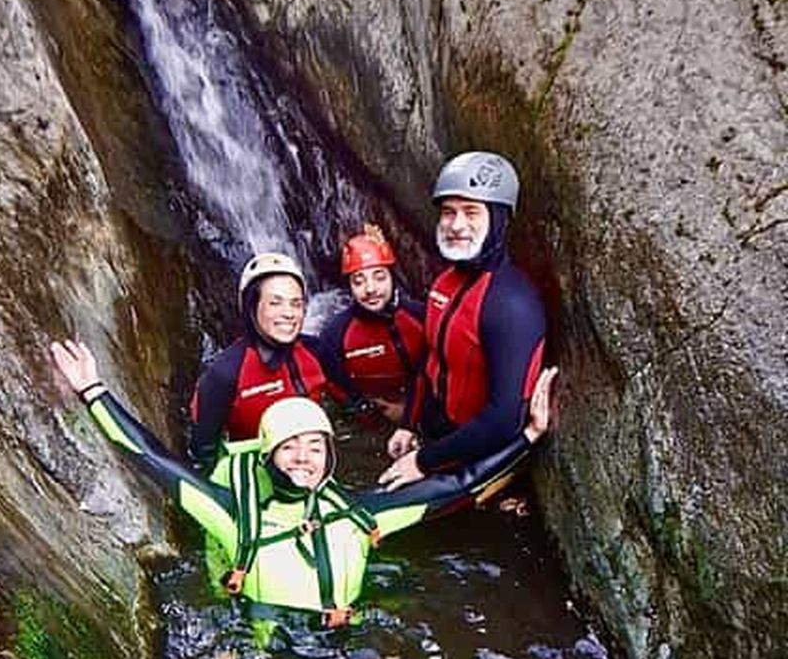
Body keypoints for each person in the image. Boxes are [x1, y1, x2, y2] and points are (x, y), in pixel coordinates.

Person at [50, 339, 557, 627]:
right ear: (268, 455)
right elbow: (154, 460)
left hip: (345, 647)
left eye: (315, 447)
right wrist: (94, 391)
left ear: (331, 456)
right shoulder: (232, 516)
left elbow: (459, 487)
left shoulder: (362, 516)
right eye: (289, 448)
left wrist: (531, 435)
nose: (303, 458)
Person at [380, 151, 547, 490]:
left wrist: (424, 462)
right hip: (438, 440)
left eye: (471, 212)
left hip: (477, 457)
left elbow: (503, 420)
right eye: (448, 212)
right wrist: (408, 425)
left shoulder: (511, 303)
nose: (456, 225)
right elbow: (428, 360)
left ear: (498, 219)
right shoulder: (446, 283)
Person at [188, 251, 332, 474]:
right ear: (251, 307)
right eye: (276, 303)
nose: (289, 314)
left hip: (310, 468)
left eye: (296, 304)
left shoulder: (317, 351)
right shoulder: (225, 374)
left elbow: (350, 399)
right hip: (253, 475)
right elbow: (202, 455)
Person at [317, 224, 425, 424]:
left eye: (379, 277)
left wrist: (409, 413)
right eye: (359, 281)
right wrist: (370, 412)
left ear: (393, 278)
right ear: (349, 286)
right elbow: (337, 388)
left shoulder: (421, 318)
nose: (370, 289)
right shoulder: (334, 335)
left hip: (422, 411)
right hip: (371, 419)